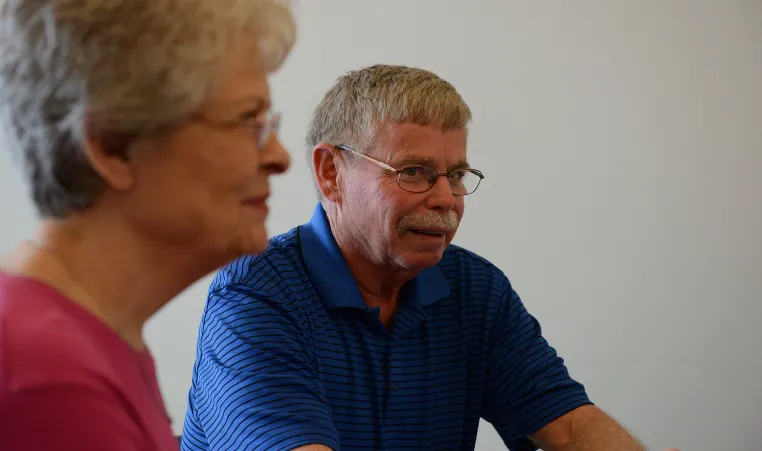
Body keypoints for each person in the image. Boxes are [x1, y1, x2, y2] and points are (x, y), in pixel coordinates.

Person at [182, 65, 677, 451]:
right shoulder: (254, 296)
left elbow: (569, 426)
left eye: (456, 175)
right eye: (414, 172)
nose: (446, 199)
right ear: (331, 172)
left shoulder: (476, 290)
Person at [0, 0, 295, 450]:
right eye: (246, 119)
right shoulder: (48, 376)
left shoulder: (92, 341)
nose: (279, 156)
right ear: (114, 146)